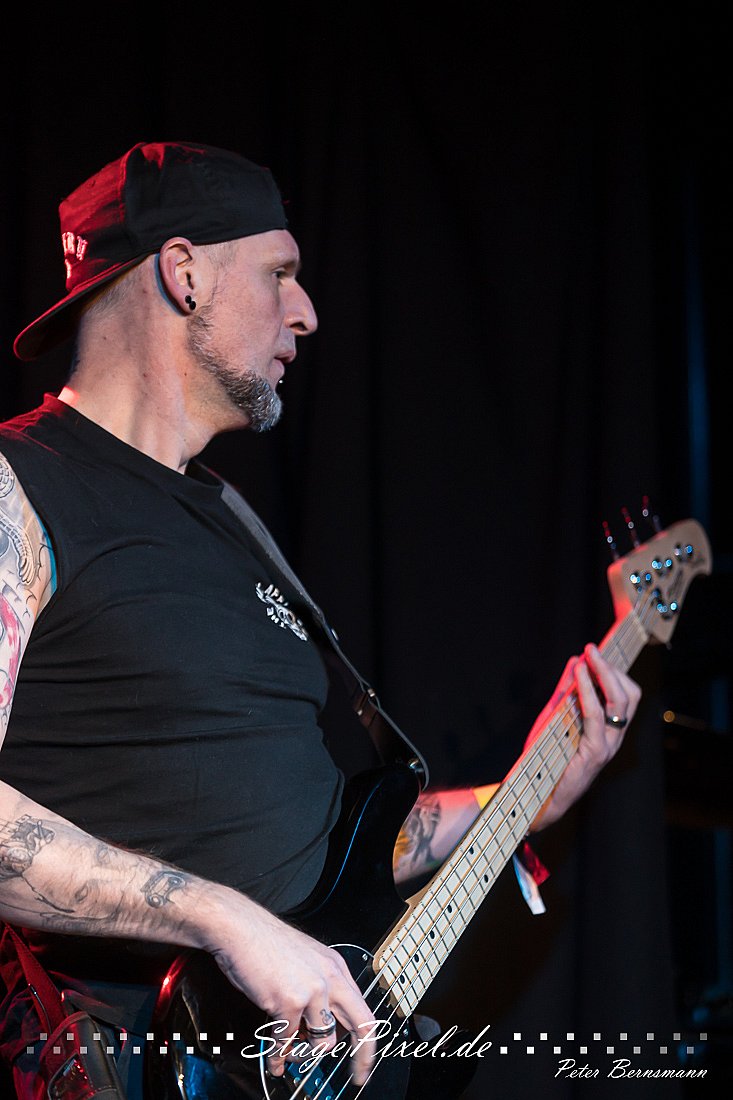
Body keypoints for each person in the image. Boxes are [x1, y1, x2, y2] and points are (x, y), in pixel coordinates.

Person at [0, 141, 640, 1099]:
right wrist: (224, 918)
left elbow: (330, 842)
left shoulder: (232, 522)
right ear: (183, 273)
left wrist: (525, 794)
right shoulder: (19, 488)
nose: (304, 311)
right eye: (280, 273)